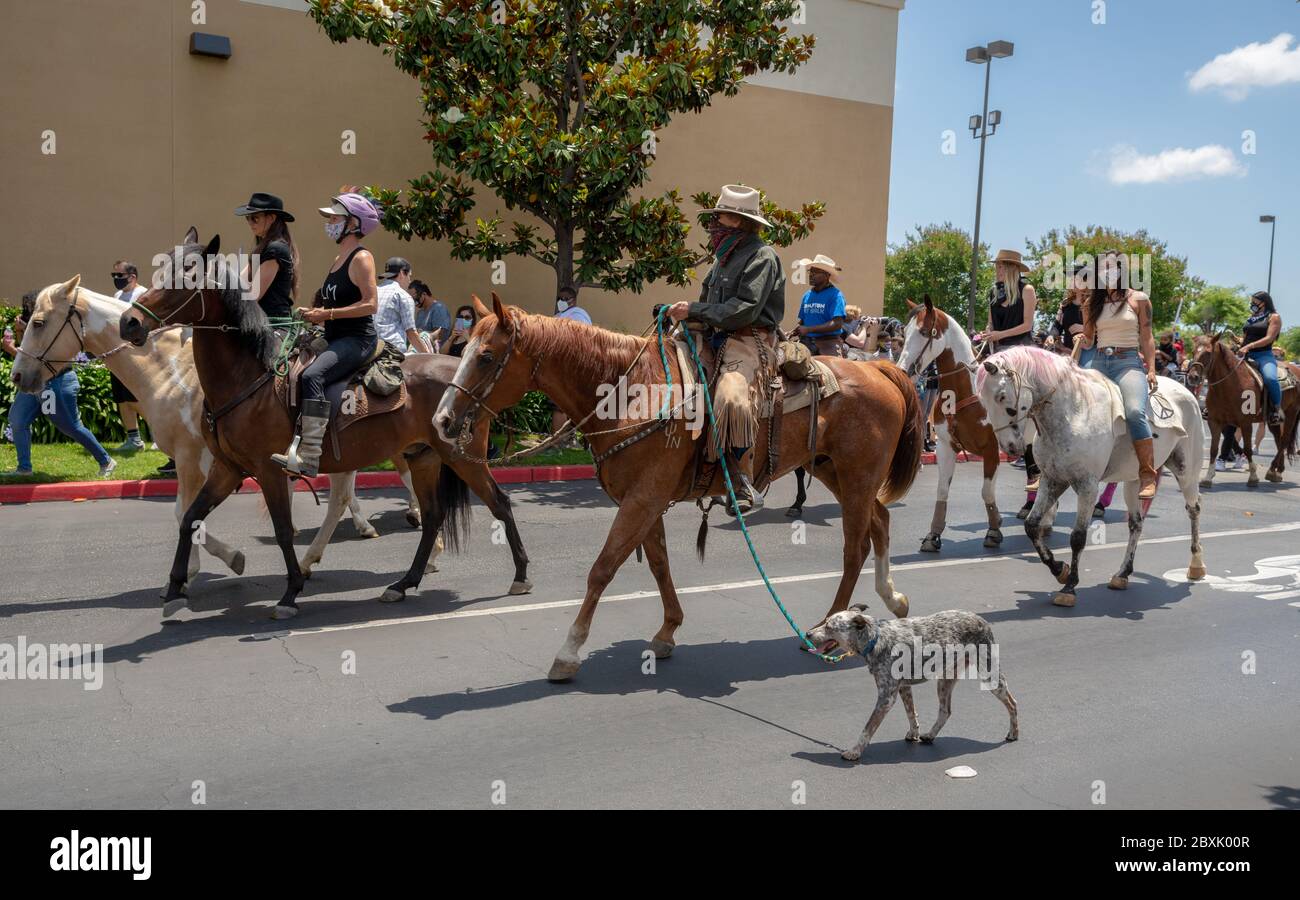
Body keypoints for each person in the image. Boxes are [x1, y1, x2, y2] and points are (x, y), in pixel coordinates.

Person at [665, 184, 784, 513]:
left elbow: (743, 309)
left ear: (741, 222)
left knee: (731, 396)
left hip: (750, 339)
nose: (714, 223)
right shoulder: (721, 260)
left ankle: (741, 481)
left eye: (721, 217)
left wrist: (694, 310)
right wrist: (681, 318)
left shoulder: (763, 257)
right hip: (715, 336)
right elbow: (705, 305)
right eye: (714, 217)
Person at [271, 190, 381, 477]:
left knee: (312, 375)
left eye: (334, 217)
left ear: (353, 224)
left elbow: (371, 304)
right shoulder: (338, 258)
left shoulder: (362, 258)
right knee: (289, 368)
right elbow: (336, 301)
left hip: (357, 339)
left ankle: (310, 456)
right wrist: (313, 314)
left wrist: (327, 315)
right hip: (332, 335)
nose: (328, 222)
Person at [2, 291, 116, 478]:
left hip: (57, 384)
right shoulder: (34, 328)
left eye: (29, 309)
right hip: (35, 384)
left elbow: (40, 360)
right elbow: (28, 357)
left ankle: (106, 461)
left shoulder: (55, 329)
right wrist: (20, 332)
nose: (27, 312)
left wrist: (11, 349)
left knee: (69, 425)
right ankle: (24, 469)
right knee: (18, 420)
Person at [1079, 249, 1159, 498]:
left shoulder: (1139, 299)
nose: (1107, 271)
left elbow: (1147, 337)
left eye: (1112, 266)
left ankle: (1147, 473)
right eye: (1102, 267)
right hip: (1099, 360)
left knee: (1135, 411)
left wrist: (1152, 369)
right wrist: (1080, 336)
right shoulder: (1093, 301)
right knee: (1075, 405)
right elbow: (1089, 339)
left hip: (1127, 362)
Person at [978, 248, 1040, 512]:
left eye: (1002, 266)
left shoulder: (1027, 290)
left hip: (1022, 352)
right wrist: (987, 334)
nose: (997, 269)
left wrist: (999, 335)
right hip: (999, 353)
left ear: (1013, 268)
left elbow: (1027, 325)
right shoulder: (994, 292)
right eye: (997, 266)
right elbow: (992, 325)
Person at [235, 192, 298, 323]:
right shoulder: (264, 249)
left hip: (274, 325)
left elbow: (253, 295)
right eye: (248, 218)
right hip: (259, 323)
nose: (250, 222)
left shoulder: (276, 249)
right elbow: (239, 283)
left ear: (271, 218)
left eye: (255, 218)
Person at [109, 260, 147, 451]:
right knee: (122, 399)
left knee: (136, 398)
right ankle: (134, 439)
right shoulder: (117, 295)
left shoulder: (142, 294)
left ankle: (158, 434)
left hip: (135, 353)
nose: (116, 280)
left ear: (132, 277)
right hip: (118, 353)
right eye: (114, 276)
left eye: (119, 276)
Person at [1239, 290, 1283, 427]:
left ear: (1264, 302)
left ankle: (1276, 409)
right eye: (1251, 301)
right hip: (1245, 354)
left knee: (1270, 378)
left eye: (1254, 301)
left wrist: (1249, 346)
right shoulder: (1252, 316)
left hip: (1263, 355)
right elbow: (1247, 336)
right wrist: (1239, 343)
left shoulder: (1274, 317)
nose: (1252, 304)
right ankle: (1212, 407)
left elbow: (1269, 338)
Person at [791, 254, 846, 357]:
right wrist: (794, 331)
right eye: (810, 271)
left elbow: (837, 323)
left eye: (815, 272)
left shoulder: (836, 295)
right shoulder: (806, 296)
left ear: (827, 275)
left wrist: (809, 329)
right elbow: (803, 322)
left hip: (829, 343)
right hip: (806, 342)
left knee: (832, 371)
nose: (811, 275)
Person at [374, 257, 431, 354]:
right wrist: (427, 355)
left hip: (370, 349)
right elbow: (411, 333)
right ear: (401, 273)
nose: (409, 281)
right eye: (409, 276)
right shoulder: (403, 296)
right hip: (392, 351)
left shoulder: (374, 291)